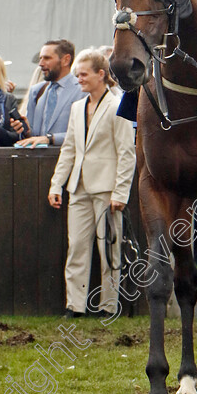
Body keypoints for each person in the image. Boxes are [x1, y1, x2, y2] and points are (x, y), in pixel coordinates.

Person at [48, 50, 137, 318]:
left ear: (101, 74)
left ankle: (108, 306)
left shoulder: (118, 105)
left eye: (83, 74)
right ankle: (74, 305)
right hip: (78, 188)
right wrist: (56, 185)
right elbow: (69, 150)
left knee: (109, 248)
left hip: (107, 190)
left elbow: (126, 152)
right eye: (77, 75)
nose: (79, 80)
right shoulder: (77, 108)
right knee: (76, 247)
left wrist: (120, 192)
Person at [16, 39, 83, 148]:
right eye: (40, 58)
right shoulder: (37, 91)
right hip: (38, 161)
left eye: (47, 58)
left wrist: (50, 139)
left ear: (66, 60)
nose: (41, 64)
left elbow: (84, 134)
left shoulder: (82, 90)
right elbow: (32, 135)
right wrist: (24, 130)